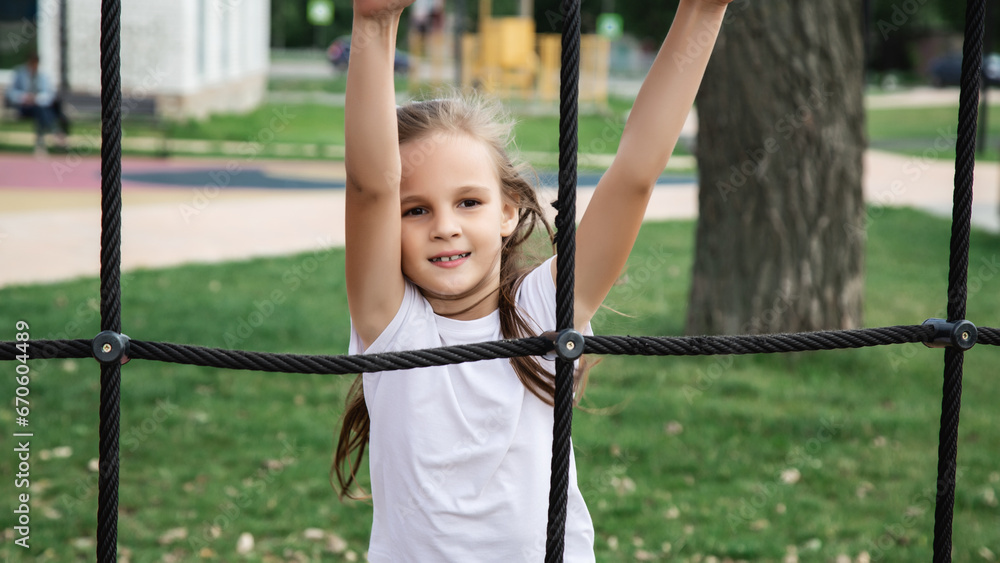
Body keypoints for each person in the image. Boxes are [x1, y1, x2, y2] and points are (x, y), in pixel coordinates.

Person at [334, 0, 733, 560]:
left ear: (508, 210)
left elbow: (636, 173)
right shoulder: (391, 327)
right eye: (415, 211)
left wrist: (703, 11)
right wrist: (375, 23)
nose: (444, 227)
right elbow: (371, 186)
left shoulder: (548, 308)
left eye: (468, 202)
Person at [5, 53, 68, 155]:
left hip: (39, 107)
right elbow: (11, 93)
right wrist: (23, 97)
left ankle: (41, 143)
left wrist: (36, 98)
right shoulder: (20, 73)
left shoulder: (42, 76)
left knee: (40, 110)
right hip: (24, 107)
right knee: (43, 110)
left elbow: (49, 94)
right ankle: (56, 132)